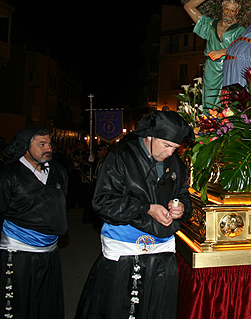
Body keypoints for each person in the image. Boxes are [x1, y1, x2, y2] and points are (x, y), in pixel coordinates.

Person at [75, 111, 194, 319]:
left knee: (158, 309)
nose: (170, 153)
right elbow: (102, 202)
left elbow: (184, 196)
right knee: (120, 308)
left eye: (175, 148)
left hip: (162, 252)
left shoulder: (176, 164)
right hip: (126, 251)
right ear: (149, 136)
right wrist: (146, 208)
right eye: (166, 145)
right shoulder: (121, 157)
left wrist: (181, 208)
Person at [0, 126, 68, 318]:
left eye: (49, 144)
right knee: (20, 302)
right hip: (19, 253)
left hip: (49, 251)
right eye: (42, 144)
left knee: (46, 300)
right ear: (25, 147)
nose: (49, 148)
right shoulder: (8, 175)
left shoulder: (58, 171)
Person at [184, 0, 246, 110]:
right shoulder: (210, 25)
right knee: (209, 100)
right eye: (226, 9)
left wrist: (223, 51)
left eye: (232, 11)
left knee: (228, 101)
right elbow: (188, 7)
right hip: (212, 68)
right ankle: (208, 125)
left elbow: (242, 48)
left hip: (230, 67)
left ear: (236, 13)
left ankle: (224, 127)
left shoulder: (240, 31)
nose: (228, 13)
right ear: (222, 9)